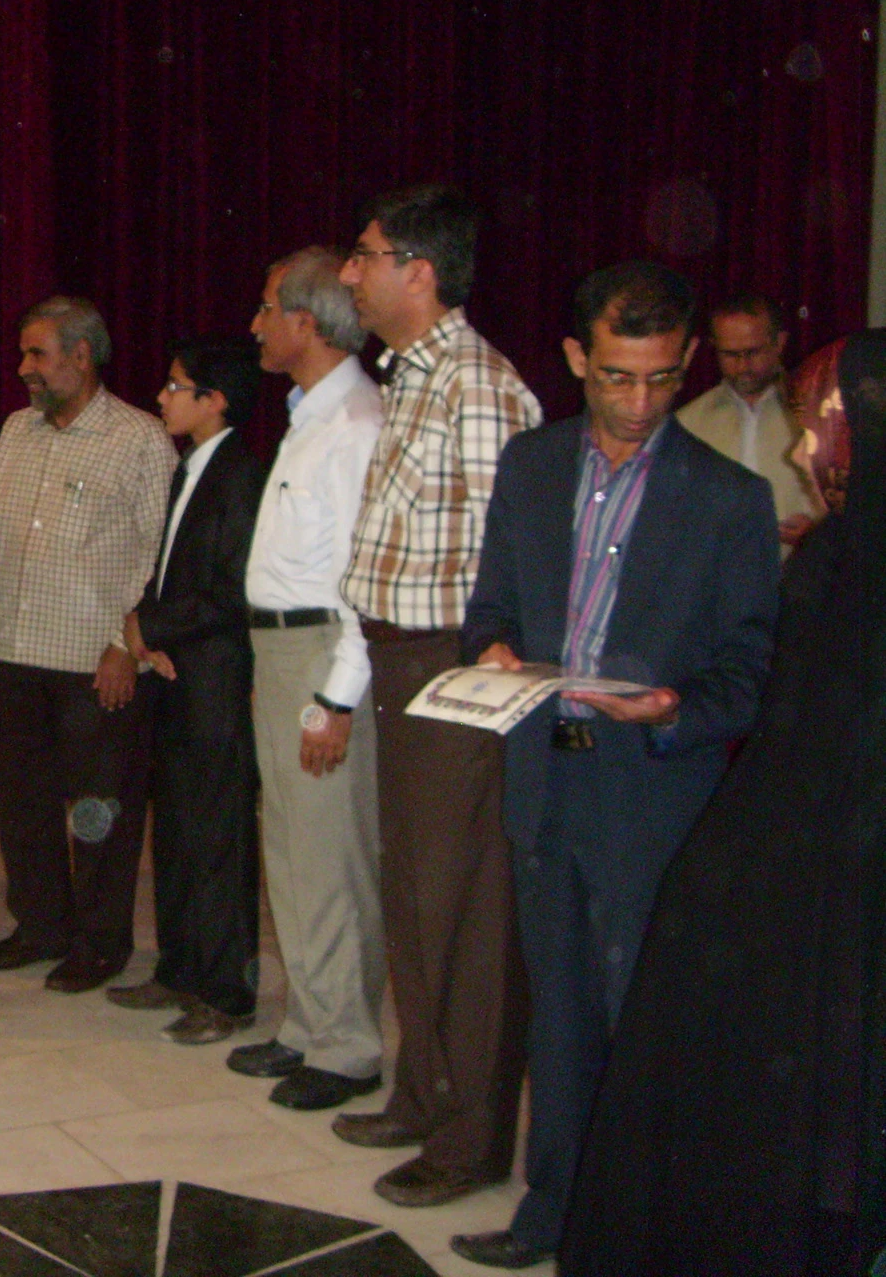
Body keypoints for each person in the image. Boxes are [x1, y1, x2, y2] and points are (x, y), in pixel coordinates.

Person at [449, 261, 780, 1268]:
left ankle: (639, 1231)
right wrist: (493, 650)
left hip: (651, 789)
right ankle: (552, 1215)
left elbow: (750, 670)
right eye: (615, 377)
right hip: (545, 777)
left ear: (685, 362)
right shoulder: (531, 465)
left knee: (643, 1017)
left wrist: (673, 707)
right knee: (558, 1017)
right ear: (574, 358)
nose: (639, 402)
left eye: (661, 378)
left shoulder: (728, 498)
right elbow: (489, 606)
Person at [560, 331, 886, 1277]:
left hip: (817, 868)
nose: (800, 450)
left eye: (816, 427)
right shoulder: (838, 549)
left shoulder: (841, 558)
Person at [335, 184, 542, 1208]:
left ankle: (470, 1140)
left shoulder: (477, 385)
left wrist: (481, 670)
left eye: (364, 254)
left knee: (464, 909)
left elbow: (514, 560)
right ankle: (422, 1092)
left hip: (452, 668)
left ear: (418, 272)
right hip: (397, 664)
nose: (347, 272)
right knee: (414, 895)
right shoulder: (413, 377)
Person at [0, 297, 177, 993]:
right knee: (24, 804)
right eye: (24, 354)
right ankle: (42, 925)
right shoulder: (18, 430)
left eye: (37, 354)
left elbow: (161, 553)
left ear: (81, 356)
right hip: (19, 650)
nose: (23, 368)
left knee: (100, 811)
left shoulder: (139, 439)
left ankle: (102, 942)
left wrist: (126, 643)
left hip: (96, 661)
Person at [227, 246, 387, 1112]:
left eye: (265, 309)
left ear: (304, 321)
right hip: (283, 653)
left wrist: (334, 696)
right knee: (291, 852)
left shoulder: (355, 422)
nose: (254, 325)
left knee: (330, 857)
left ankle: (348, 1044)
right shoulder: (309, 415)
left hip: (323, 653)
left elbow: (363, 578)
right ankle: (308, 1022)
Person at [105, 336, 265, 1043]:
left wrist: (151, 624)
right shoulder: (189, 468)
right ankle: (178, 968)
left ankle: (226, 992)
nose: (161, 397)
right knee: (173, 832)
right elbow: (172, 570)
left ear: (215, 400)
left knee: (217, 839)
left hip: (218, 682)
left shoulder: (241, 475)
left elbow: (233, 588)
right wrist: (150, 630)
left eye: (175, 386)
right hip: (178, 673)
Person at [676, 291, 820, 548]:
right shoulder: (687, 424)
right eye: (730, 355)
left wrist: (819, 532)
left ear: (779, 343)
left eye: (753, 352)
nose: (743, 366)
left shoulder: (817, 414)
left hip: (799, 568)